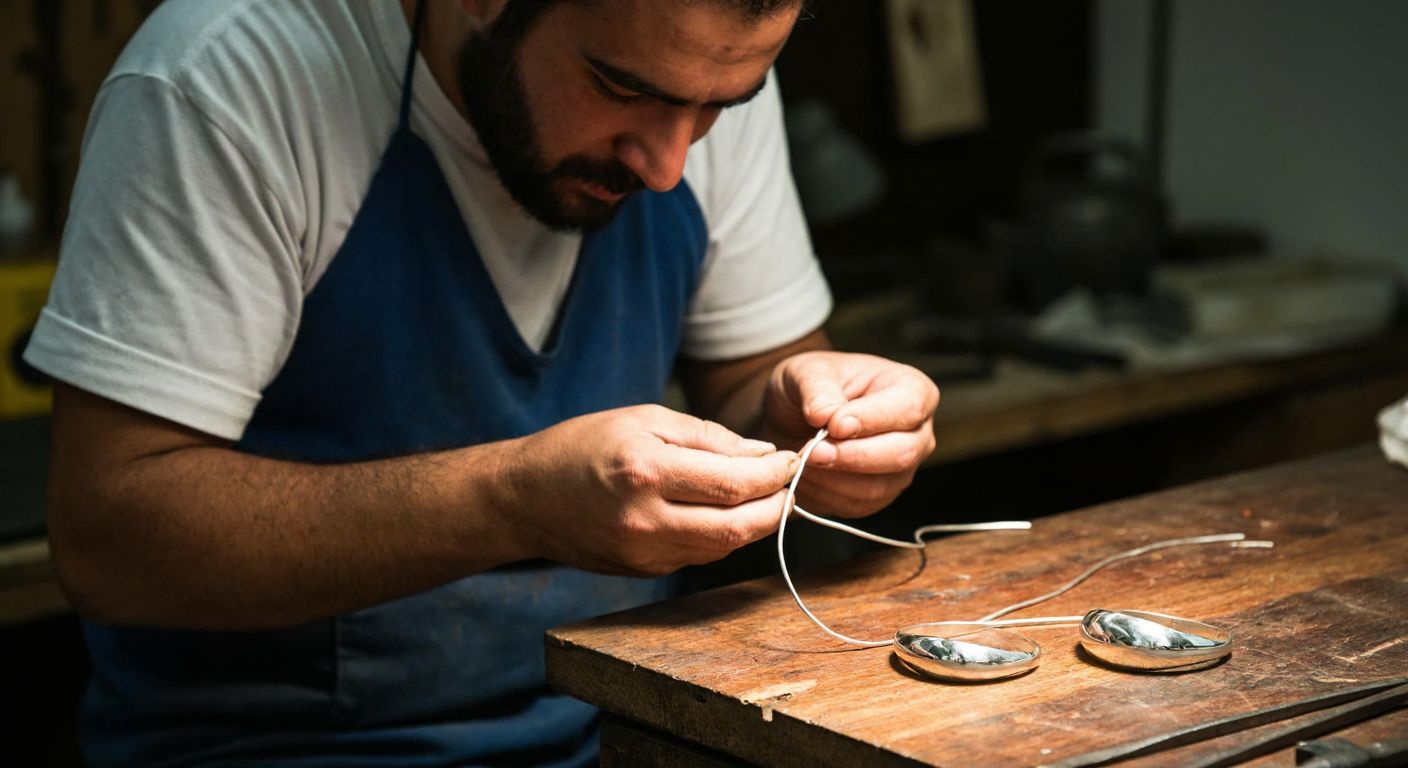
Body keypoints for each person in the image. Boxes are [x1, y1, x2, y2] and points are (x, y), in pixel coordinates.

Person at [25, 0, 940, 764]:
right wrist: (511, 503)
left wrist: (810, 420)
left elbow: (751, 383)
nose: (668, 164)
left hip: (626, 726)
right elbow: (110, 536)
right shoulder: (229, 79)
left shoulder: (692, 62)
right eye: (620, 88)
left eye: (719, 108)